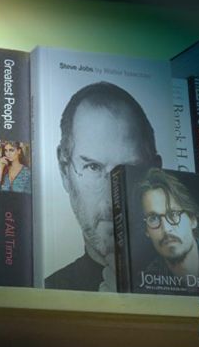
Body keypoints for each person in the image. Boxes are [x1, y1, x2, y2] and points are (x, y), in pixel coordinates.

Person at [44, 81, 162, 292]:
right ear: (64, 171)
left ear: (157, 175)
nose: (111, 199)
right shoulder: (49, 291)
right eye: (93, 167)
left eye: (128, 171)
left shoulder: (194, 278)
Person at [138, 168, 199, 284]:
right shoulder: (146, 282)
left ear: (192, 219)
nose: (166, 229)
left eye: (173, 214)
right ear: (147, 230)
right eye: (153, 218)